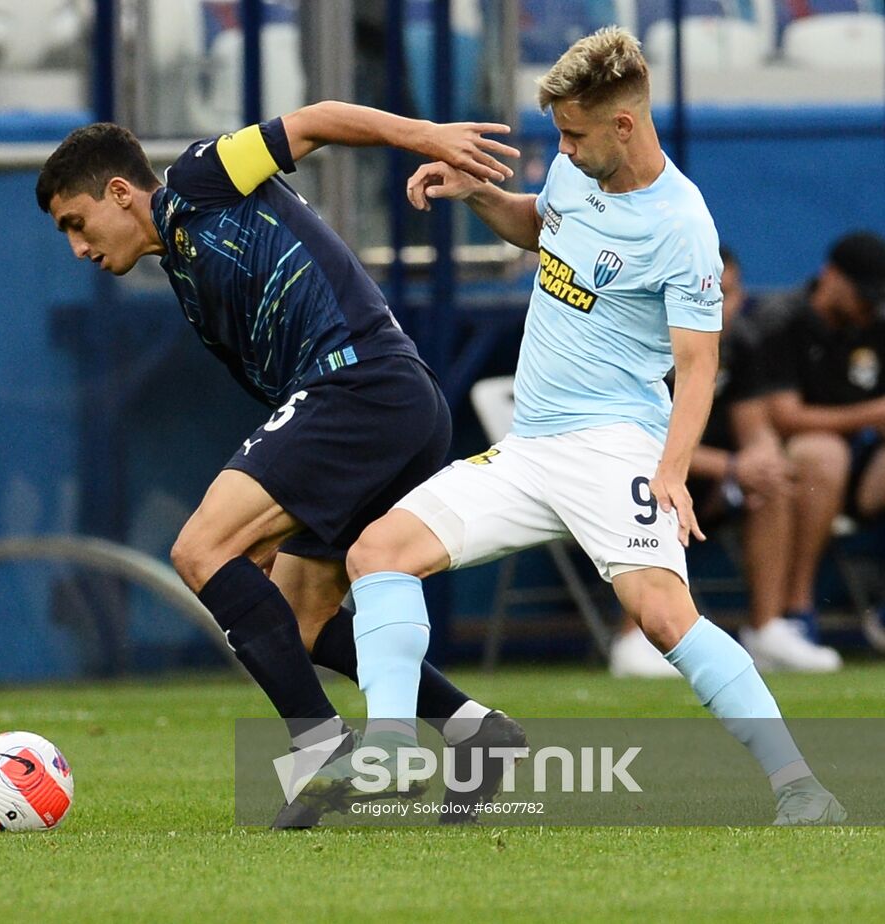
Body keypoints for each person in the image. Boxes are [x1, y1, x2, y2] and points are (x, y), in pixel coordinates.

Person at [335, 27, 843, 823]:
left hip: (614, 447)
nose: (562, 150)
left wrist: (672, 471)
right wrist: (477, 195)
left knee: (665, 615)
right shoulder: (576, 176)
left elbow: (698, 365)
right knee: (378, 552)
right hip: (530, 447)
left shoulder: (682, 226)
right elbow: (541, 227)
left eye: (574, 134)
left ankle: (800, 787)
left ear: (625, 126)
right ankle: (392, 751)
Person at [37, 100, 526, 826]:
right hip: (378, 403)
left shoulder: (198, 181)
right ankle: (476, 733)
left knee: (200, 548)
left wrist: (423, 136)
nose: (77, 247)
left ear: (117, 192)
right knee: (297, 617)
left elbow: (318, 119)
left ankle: (321, 749)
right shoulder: (184, 268)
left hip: (358, 386)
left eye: (74, 223)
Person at [609, 246, 843, 675]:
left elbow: (754, 428)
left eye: (729, 294)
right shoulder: (635, 347)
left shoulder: (740, 344)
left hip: (705, 484)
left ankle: (767, 629)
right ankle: (634, 638)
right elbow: (636, 444)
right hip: (619, 480)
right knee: (654, 486)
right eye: (706, 292)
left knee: (770, 483)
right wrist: (734, 467)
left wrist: (762, 459)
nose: (718, 306)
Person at [755, 231, 885, 643]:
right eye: (861, 293)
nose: (867, 306)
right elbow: (785, 416)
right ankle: (798, 608)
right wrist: (872, 413)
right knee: (822, 453)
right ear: (831, 276)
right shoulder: (782, 319)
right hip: (790, 468)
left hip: (867, 470)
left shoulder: (876, 323)